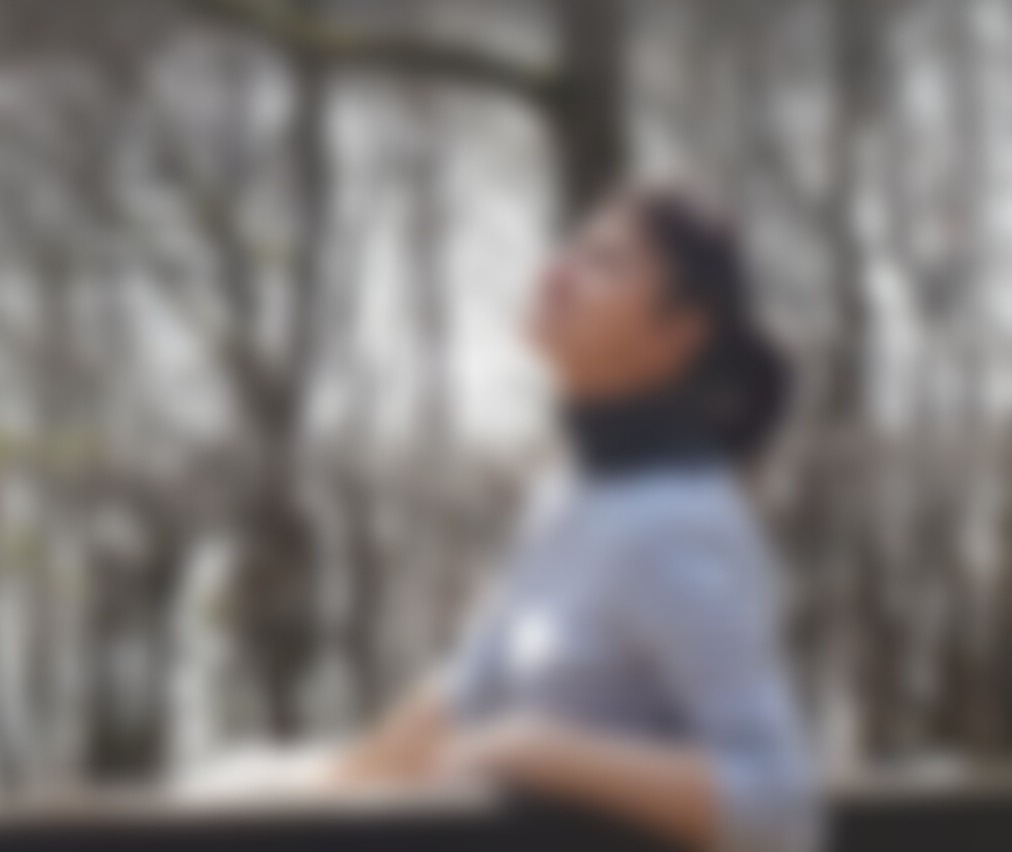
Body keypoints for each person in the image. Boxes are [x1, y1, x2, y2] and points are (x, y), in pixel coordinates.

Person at [321, 187, 822, 852]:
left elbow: (778, 810)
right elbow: (467, 691)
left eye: (606, 263)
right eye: (574, 250)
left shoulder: (675, 524)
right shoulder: (568, 499)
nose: (557, 272)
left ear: (680, 329)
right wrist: (317, 799)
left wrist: (534, 751)